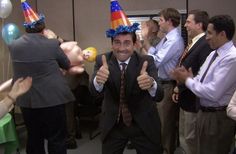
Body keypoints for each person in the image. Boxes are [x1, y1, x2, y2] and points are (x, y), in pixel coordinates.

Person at [90, 1, 163, 153]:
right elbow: (94, 93)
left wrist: (151, 84)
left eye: (127, 43)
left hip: (143, 123)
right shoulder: (103, 60)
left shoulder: (146, 61)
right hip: (114, 123)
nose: (121, 48)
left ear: (135, 44)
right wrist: (98, 81)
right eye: (117, 42)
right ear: (112, 44)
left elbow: (160, 95)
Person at [8, 1, 75, 154]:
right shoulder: (51, 44)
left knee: (34, 137)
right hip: (53, 99)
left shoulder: (13, 46)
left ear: (26, 27)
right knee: (56, 139)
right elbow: (66, 64)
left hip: (27, 100)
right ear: (43, 27)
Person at [171, 15, 236, 154]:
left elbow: (213, 92)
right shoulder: (213, 54)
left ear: (223, 34)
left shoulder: (232, 58)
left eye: (210, 33)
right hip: (203, 112)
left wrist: (187, 80)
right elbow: (200, 79)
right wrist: (189, 78)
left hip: (217, 117)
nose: (206, 37)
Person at [172, 10, 212, 154]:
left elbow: (200, 74)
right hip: (185, 97)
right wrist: (178, 87)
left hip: (193, 100)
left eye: (188, 22)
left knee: (190, 139)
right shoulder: (193, 43)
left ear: (199, 24)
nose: (185, 25)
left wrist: (181, 86)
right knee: (184, 137)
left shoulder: (204, 45)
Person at [146, 8, 184, 154]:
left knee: (165, 124)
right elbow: (156, 54)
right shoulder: (166, 38)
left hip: (168, 85)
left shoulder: (174, 40)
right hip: (160, 84)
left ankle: (167, 151)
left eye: (161, 20)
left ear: (169, 21)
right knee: (158, 123)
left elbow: (156, 61)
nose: (159, 23)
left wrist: (146, 45)